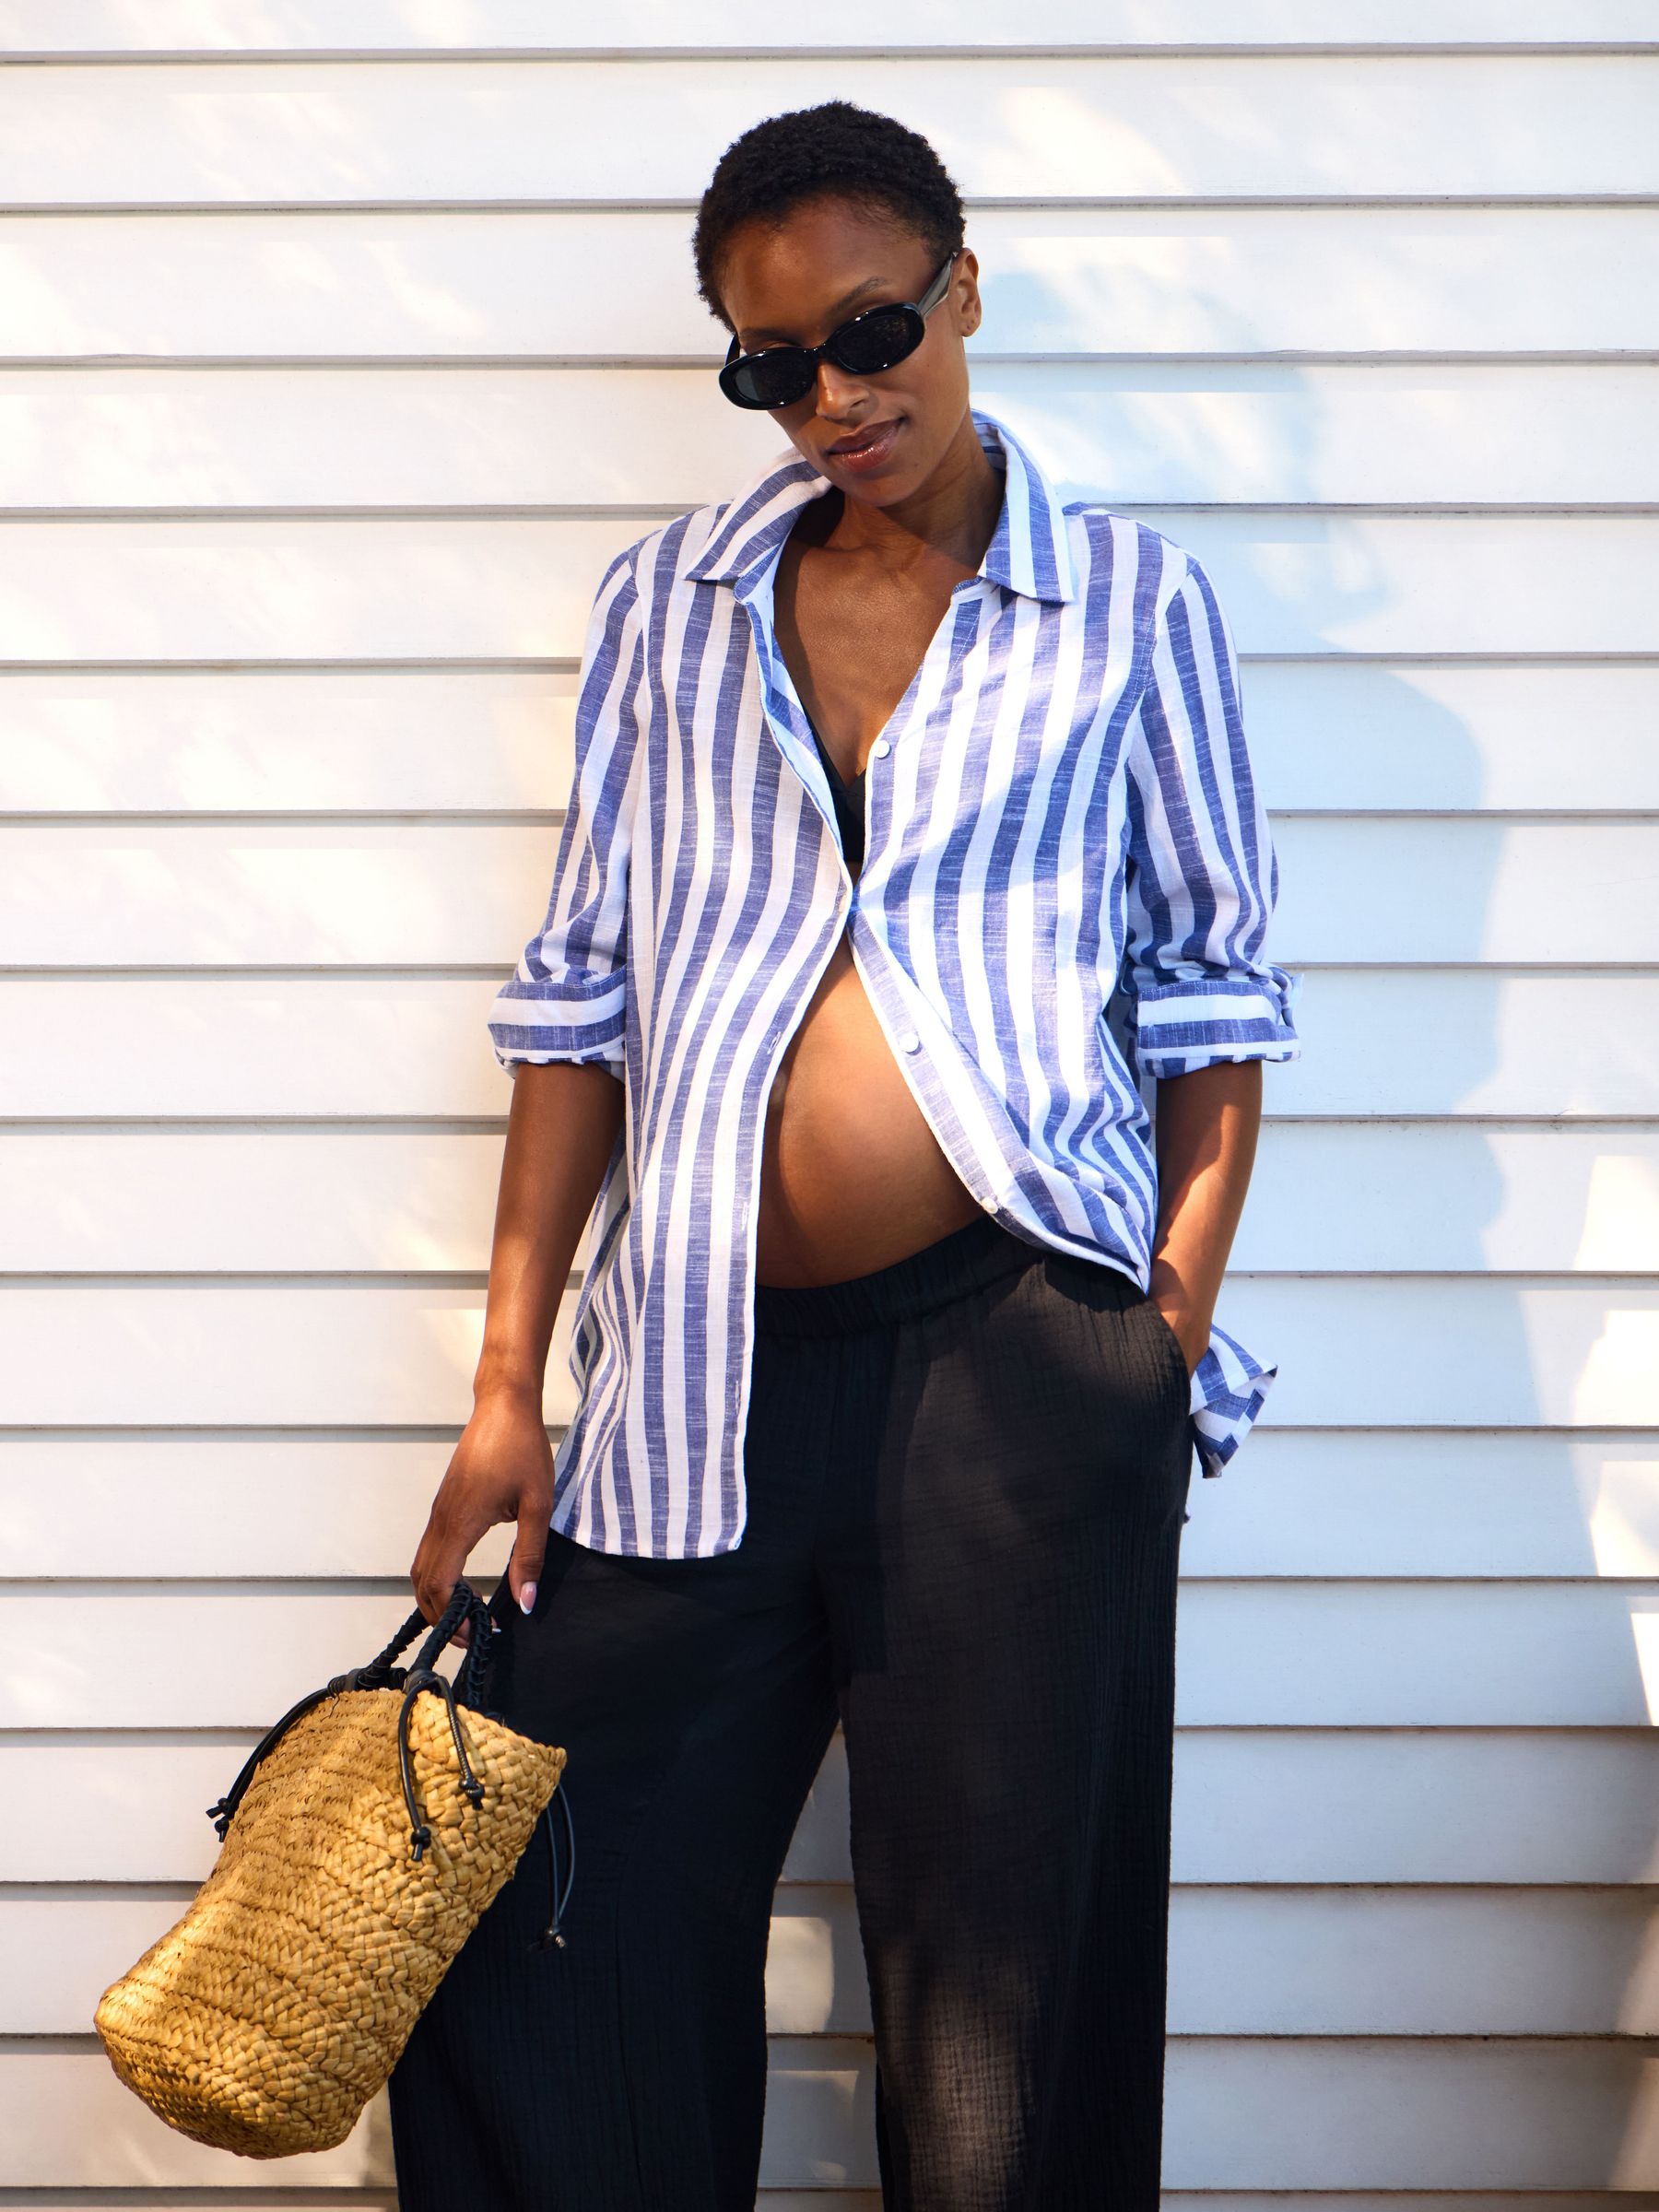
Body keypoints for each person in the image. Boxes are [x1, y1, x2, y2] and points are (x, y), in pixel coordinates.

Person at [388, 100, 1300, 2212]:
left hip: (1018, 1360)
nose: (835, 398)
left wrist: (1159, 1339)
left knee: (1008, 1991)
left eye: (874, 332)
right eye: (774, 366)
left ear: (961, 292)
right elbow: (581, 999)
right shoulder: (670, 605)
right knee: (567, 1908)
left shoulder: (1129, 606)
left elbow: (1213, 993)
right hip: (693, 1370)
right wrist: (509, 1390)